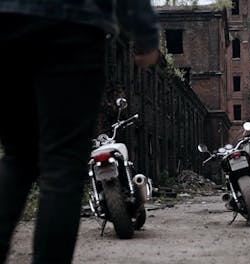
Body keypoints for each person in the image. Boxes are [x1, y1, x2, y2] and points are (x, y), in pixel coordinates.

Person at [0, 1, 160, 263]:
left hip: (7, 22)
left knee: (17, 157)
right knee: (62, 166)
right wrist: (145, 34)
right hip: (72, 26)